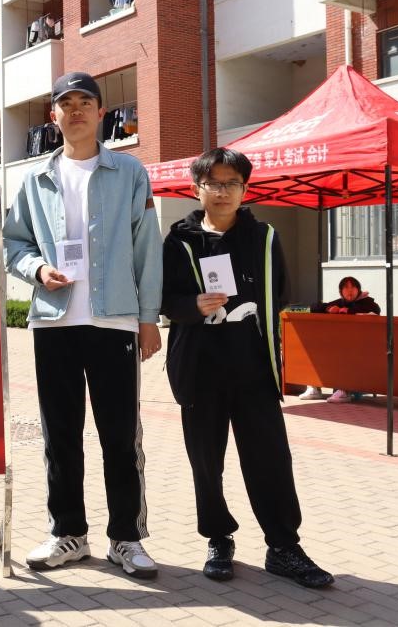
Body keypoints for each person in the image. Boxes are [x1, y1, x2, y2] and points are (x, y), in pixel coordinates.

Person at [3, 72, 163, 577]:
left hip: (114, 324)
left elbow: (147, 249)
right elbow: (13, 243)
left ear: (101, 113)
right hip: (54, 325)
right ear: (53, 116)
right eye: (65, 103)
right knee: (59, 438)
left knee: (120, 438)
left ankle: (126, 539)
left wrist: (148, 319)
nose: (75, 111)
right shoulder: (35, 180)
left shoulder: (129, 172)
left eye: (85, 102)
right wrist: (37, 270)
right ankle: (68, 534)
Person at [162, 147, 333, 589]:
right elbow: (164, 300)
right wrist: (192, 305)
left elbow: (280, 293)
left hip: (253, 368)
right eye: (213, 183)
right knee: (206, 462)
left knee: (270, 459)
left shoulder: (264, 237)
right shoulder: (179, 241)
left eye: (231, 183)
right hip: (200, 368)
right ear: (196, 189)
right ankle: (218, 539)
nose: (222, 192)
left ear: (245, 189)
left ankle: (284, 546)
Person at [300, 276, 380, 403]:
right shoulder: (340, 302)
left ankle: (344, 390)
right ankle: (314, 387)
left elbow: (376, 310)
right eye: (346, 287)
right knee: (316, 351)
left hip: (361, 347)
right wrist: (328, 309)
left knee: (345, 356)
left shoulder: (367, 302)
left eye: (353, 287)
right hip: (338, 344)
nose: (350, 290)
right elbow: (315, 307)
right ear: (341, 291)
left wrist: (349, 311)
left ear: (358, 289)